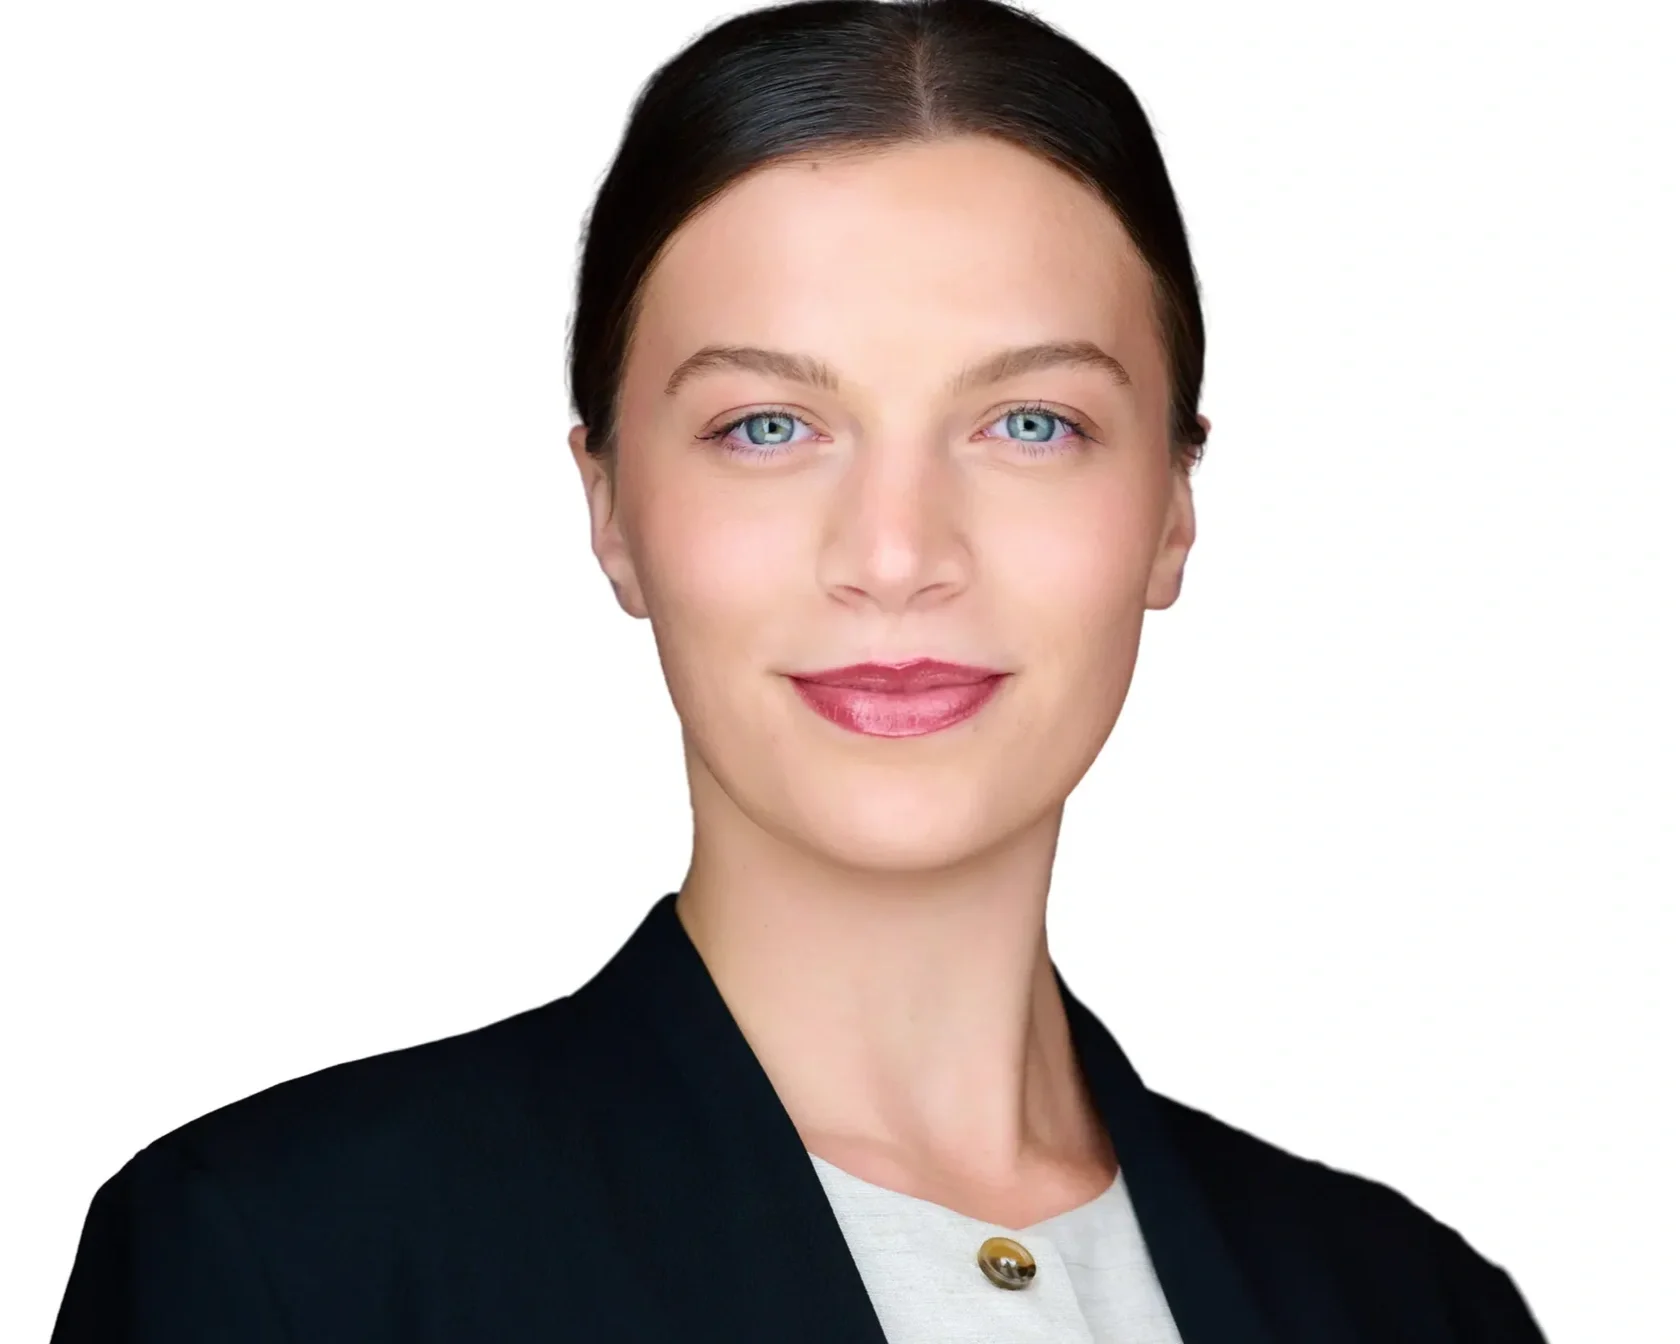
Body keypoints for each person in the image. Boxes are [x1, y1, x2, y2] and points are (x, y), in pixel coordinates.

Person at [50, 1, 1549, 1339]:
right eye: (768, 426)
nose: (895, 555)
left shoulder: (1413, 1304)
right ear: (611, 510)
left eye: (1030, 423)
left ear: (1172, 509)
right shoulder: (283, 1267)